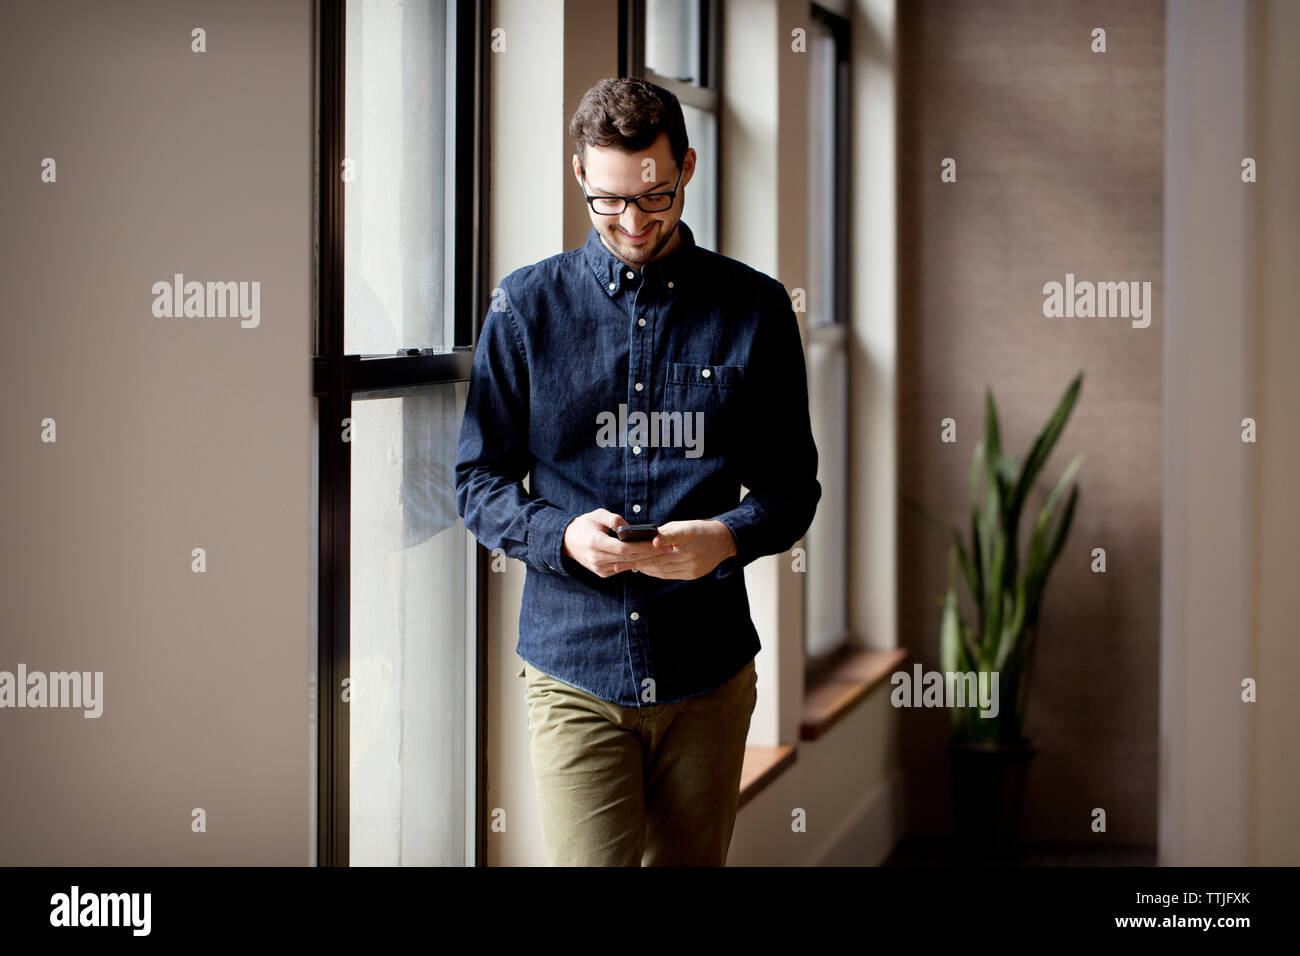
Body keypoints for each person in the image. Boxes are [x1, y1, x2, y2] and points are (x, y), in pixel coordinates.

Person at [454, 76, 820, 866]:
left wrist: (724, 538)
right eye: (610, 201)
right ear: (581, 175)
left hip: (709, 675)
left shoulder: (755, 309)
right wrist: (560, 536)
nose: (632, 222)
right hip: (572, 668)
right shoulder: (523, 308)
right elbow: (476, 482)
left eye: (653, 199)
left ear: (685, 166)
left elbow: (794, 487)